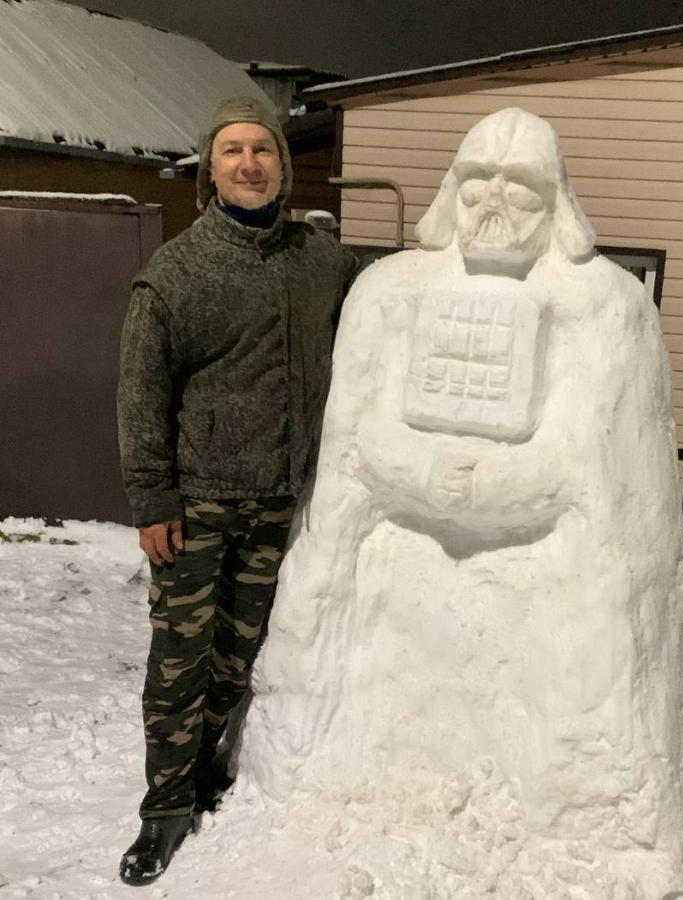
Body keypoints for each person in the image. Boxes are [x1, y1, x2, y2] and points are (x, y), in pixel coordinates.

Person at [114, 95, 360, 886]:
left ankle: (207, 767)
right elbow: (140, 396)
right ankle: (163, 809)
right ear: (209, 170)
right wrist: (152, 500)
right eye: (232, 151)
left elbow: (383, 299)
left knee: (238, 654)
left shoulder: (319, 260)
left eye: (263, 149)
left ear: (284, 168)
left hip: (278, 503)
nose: (249, 162)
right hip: (197, 508)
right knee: (181, 659)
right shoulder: (176, 275)